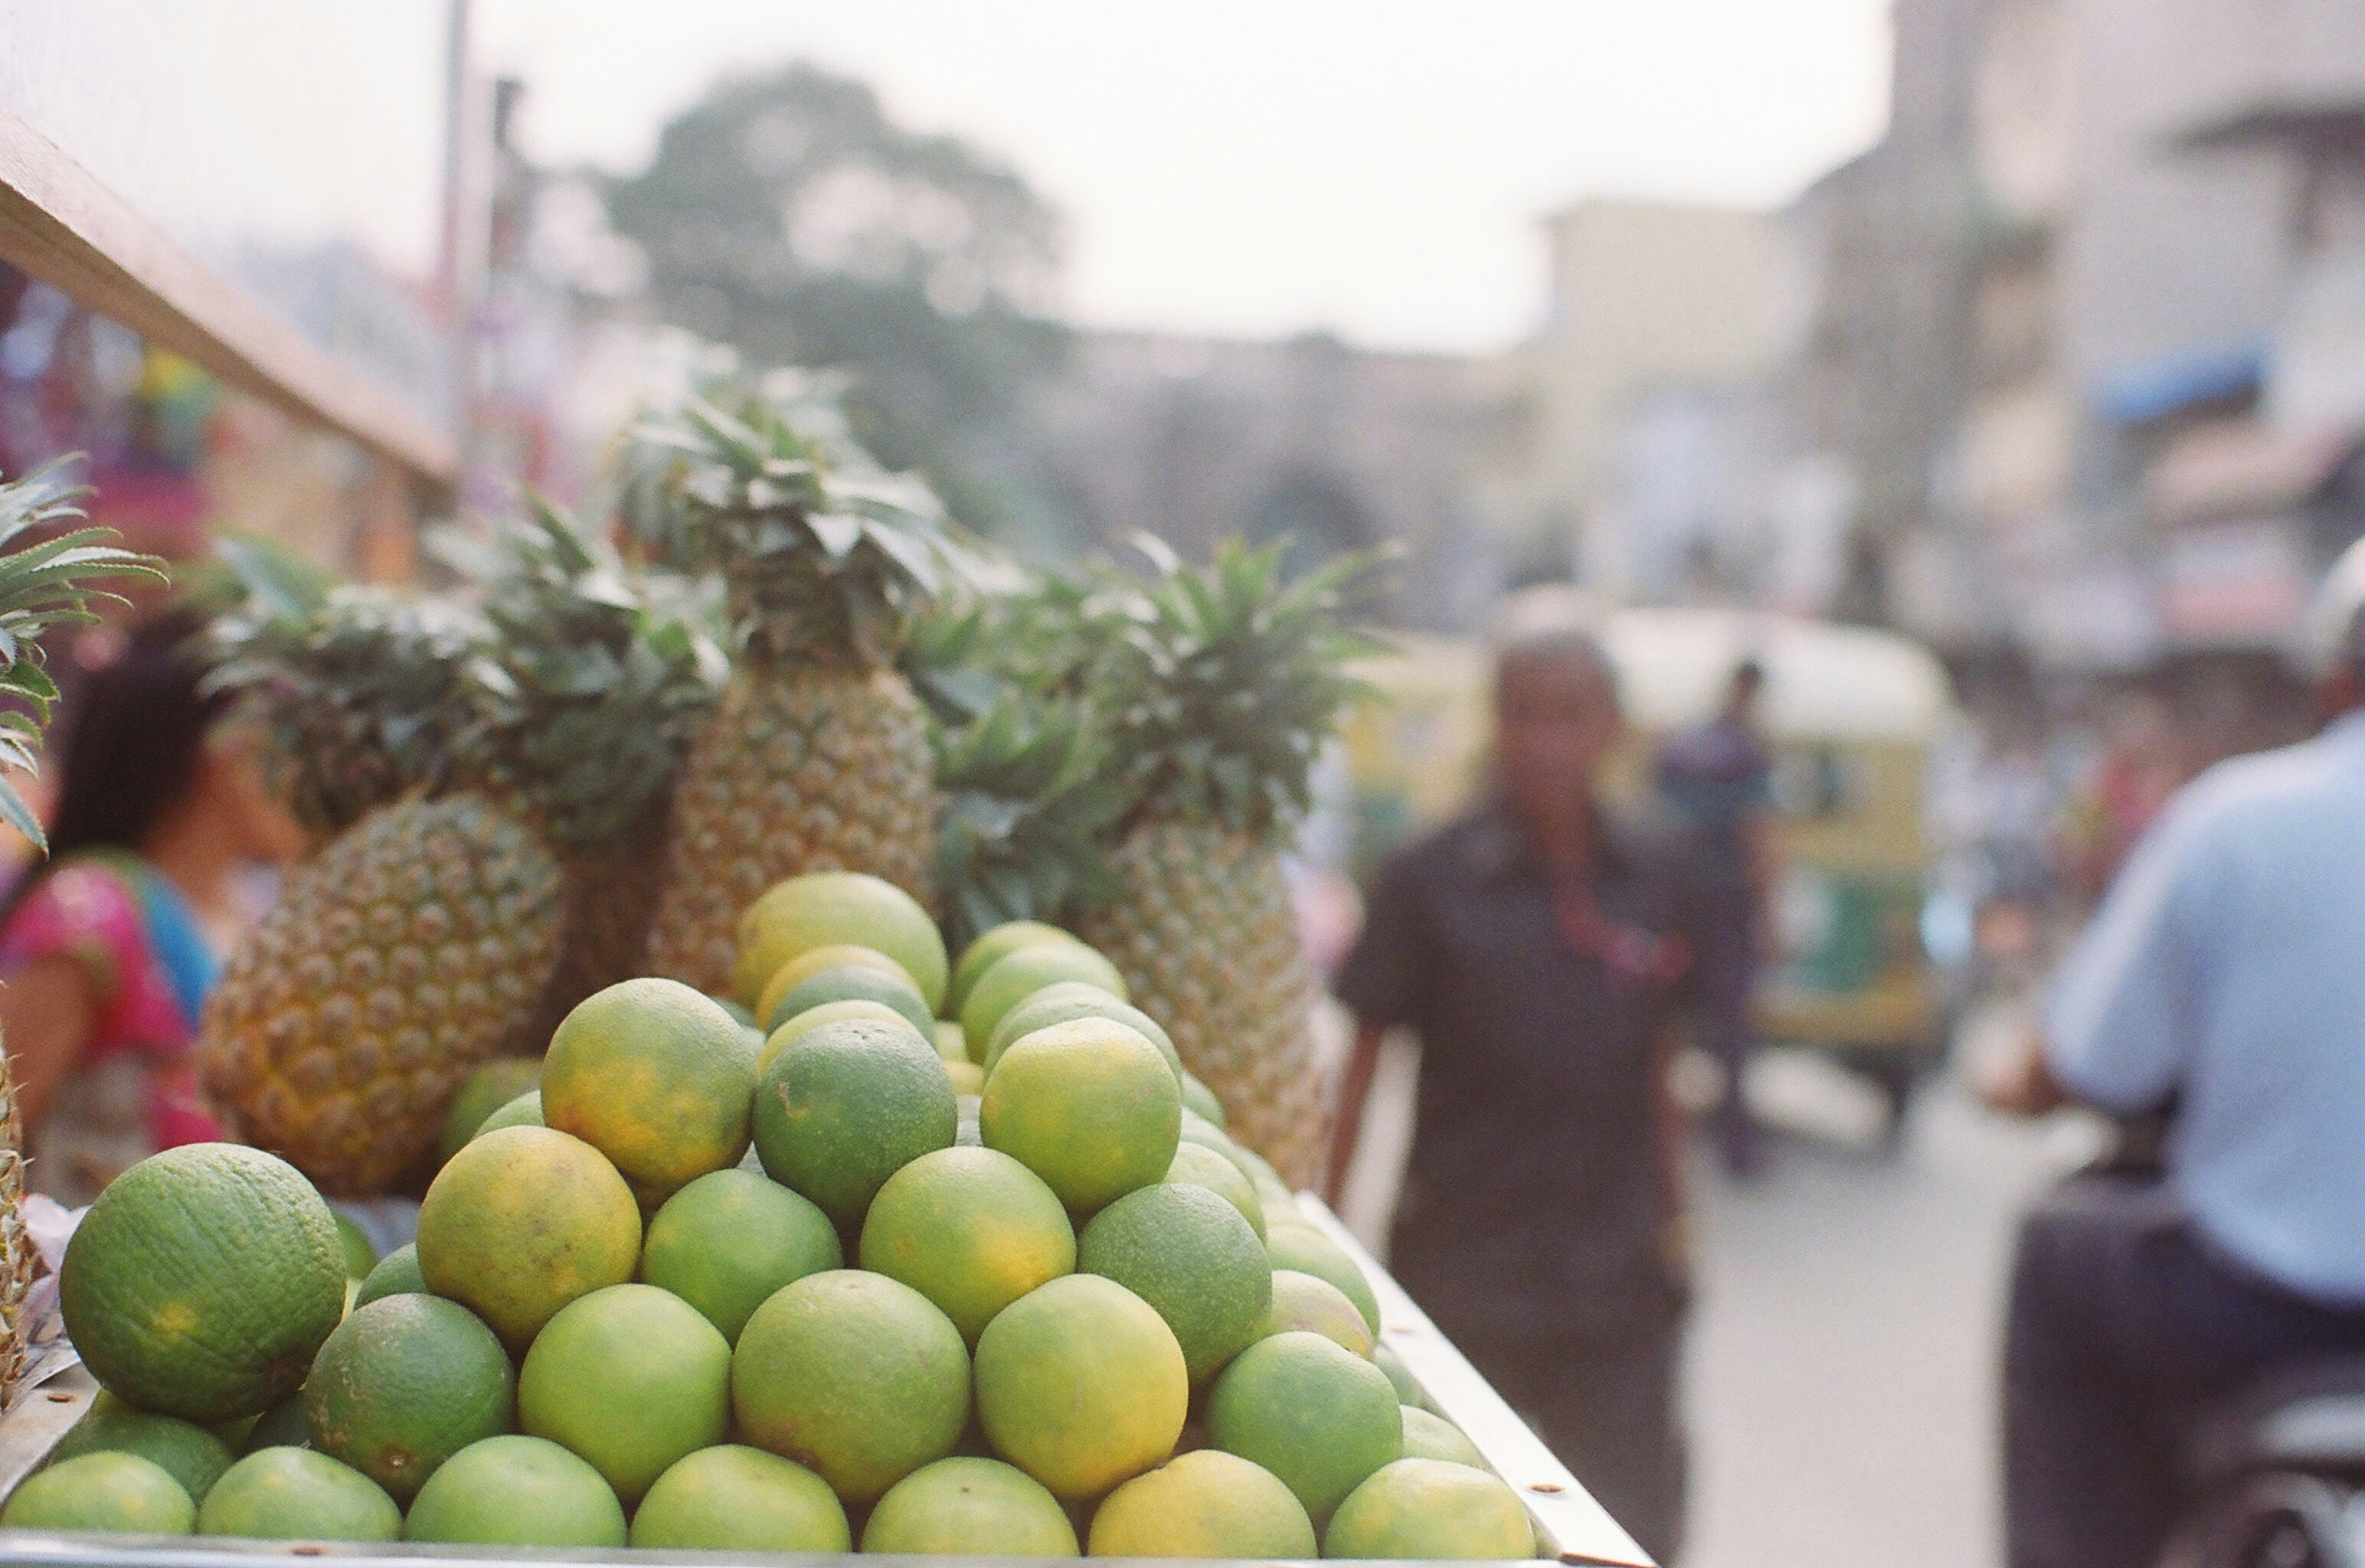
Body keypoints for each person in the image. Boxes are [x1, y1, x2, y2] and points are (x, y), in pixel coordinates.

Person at [1984, 536, 2365, 1568]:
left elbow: (2078, 1065)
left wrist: (2012, 1077)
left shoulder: (2236, 821)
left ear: (2335, 678)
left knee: (2058, 1255)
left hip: (2252, 1309)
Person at [1325, 587, 1696, 1563]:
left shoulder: (1658, 870)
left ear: (1610, 726)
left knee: (1621, 1531)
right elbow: (1357, 1077)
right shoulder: (1426, 875)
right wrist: (1325, 1243)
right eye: (1524, 712)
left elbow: (1663, 1067)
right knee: (1457, 1530)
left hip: (1613, 1285)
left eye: (1570, 715)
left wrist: (1676, 1226)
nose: (1547, 741)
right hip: (1460, 1277)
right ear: (1495, 720)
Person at [0, 609, 303, 1203]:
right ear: (224, 750)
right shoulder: (92, 916)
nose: (306, 778)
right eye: (290, 743)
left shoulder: (245, 918)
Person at [1654, 657, 1775, 1176]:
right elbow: (1760, 835)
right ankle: (1736, 1149)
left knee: (1663, 1023)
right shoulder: (1748, 753)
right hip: (1726, 904)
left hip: (1676, 901)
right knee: (1730, 1032)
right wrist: (1767, 913)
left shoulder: (1682, 745)